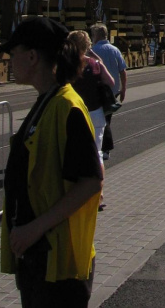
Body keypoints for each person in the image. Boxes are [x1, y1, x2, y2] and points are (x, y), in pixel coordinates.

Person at [0, 17, 102, 307]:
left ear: (32, 57)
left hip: (58, 264)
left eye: (13, 52)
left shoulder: (66, 107)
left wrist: (34, 228)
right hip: (39, 258)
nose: (8, 59)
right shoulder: (47, 101)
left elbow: (92, 181)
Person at [68, 30, 114, 211]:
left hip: (75, 115)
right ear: (87, 45)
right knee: (97, 155)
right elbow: (110, 82)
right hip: (96, 114)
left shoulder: (67, 66)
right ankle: (99, 196)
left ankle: (76, 195)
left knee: (74, 154)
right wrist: (96, 59)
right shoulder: (95, 64)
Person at [89, 23, 127, 160]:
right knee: (106, 119)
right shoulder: (115, 49)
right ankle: (104, 149)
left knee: (100, 121)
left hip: (98, 91)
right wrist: (123, 89)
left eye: (92, 35)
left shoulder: (93, 50)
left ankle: (103, 148)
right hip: (113, 91)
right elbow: (123, 71)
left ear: (96, 36)